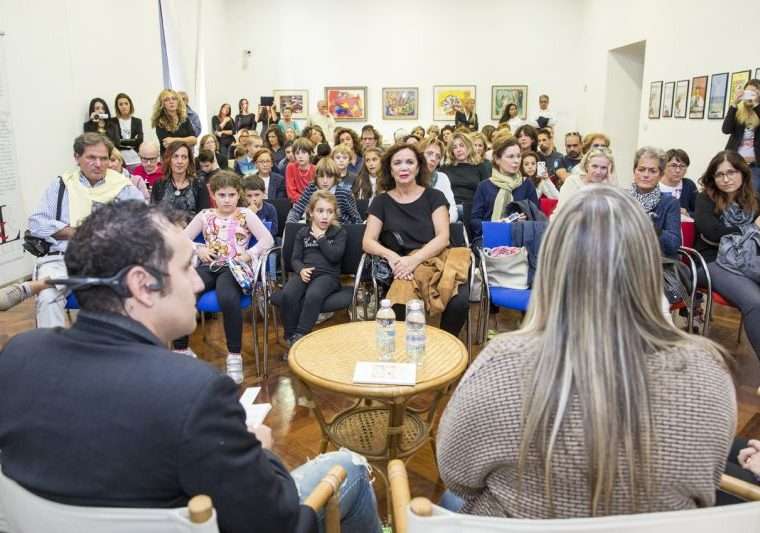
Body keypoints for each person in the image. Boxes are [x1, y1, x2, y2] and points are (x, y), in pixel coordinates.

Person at [0, 200, 382, 533]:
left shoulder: (19, 356)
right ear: (142, 285)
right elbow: (277, 522)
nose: (198, 284)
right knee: (348, 463)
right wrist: (259, 450)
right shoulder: (194, 391)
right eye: (186, 268)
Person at [436, 184, 735, 518]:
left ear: (551, 263)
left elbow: (457, 476)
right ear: (649, 264)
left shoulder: (502, 363)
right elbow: (708, 484)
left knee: (449, 499)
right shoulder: (706, 370)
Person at [26, 133, 144, 328]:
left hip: (107, 260)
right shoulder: (61, 186)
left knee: (124, 296)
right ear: (77, 157)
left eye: (104, 158)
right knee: (47, 298)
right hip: (61, 258)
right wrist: (75, 232)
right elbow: (37, 223)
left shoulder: (123, 188)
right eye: (91, 157)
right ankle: (51, 347)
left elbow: (144, 222)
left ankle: (113, 347)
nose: (98, 164)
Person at [173, 171, 273, 379]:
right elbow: (181, 238)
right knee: (185, 290)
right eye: (222, 195)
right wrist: (199, 248)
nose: (227, 200)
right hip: (210, 265)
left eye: (231, 195)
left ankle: (234, 356)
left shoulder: (245, 214)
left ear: (239, 194)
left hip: (235, 267)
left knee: (227, 296)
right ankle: (181, 349)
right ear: (213, 195)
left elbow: (267, 239)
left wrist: (250, 253)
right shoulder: (205, 215)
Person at [362, 144, 470, 337]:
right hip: (400, 266)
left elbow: (443, 237)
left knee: (458, 303)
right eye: (397, 163)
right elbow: (368, 241)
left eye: (409, 162)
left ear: (418, 167)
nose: (404, 167)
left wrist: (415, 260)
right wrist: (393, 257)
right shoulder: (381, 201)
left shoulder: (434, 196)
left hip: (436, 259)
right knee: (399, 307)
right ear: (390, 169)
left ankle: (445, 347)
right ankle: (406, 349)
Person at [694, 150, 760, 359]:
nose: (726, 179)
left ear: (743, 173)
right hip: (711, 261)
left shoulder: (754, 201)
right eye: (719, 174)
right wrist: (752, 229)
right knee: (755, 302)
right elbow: (711, 231)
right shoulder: (705, 198)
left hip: (746, 261)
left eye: (731, 172)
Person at [279, 190, 347, 347]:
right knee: (288, 294)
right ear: (311, 212)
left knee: (313, 294)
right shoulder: (303, 232)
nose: (325, 216)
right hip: (305, 273)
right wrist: (301, 270)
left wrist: (321, 238)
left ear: (334, 214)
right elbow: (295, 259)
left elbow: (335, 256)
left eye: (329, 212)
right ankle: (290, 336)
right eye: (320, 211)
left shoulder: (339, 233)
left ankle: (301, 335)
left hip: (328, 277)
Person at [470, 137, 539, 240]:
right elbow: (475, 221)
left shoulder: (526, 184)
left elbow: (536, 218)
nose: (516, 161)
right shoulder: (484, 186)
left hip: (520, 239)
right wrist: (498, 225)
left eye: (518, 156)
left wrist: (524, 221)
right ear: (497, 159)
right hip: (489, 238)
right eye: (510, 157)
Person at [629, 147, 681, 259]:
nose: (646, 175)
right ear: (634, 171)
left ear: (661, 175)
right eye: (641, 169)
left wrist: (652, 226)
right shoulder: (623, 199)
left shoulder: (670, 203)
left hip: (656, 261)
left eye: (652, 171)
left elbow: (673, 245)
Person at [287, 157, 362, 225]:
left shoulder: (344, 193)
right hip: (315, 230)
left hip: (340, 230)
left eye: (329, 177)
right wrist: (290, 225)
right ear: (316, 177)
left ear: (335, 177)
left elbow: (356, 219)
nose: (325, 181)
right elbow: (296, 210)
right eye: (321, 176)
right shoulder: (311, 188)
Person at [150, 141, 209, 220]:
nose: (180, 161)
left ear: (189, 161)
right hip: (165, 227)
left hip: (193, 227)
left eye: (184, 157)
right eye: (175, 156)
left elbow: (204, 217)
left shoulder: (199, 185)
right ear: (169, 159)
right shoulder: (159, 184)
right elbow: (154, 215)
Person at [439, 131, 490, 223]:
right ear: (451, 151)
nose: (458, 150)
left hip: (473, 210)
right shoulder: (444, 168)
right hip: (451, 209)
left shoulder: (480, 166)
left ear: (468, 146)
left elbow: (486, 192)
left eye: (461, 145)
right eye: (454, 147)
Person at [722, 78, 760, 191]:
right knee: (730, 193)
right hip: (734, 163)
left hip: (755, 166)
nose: (749, 96)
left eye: (753, 92)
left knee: (752, 195)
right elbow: (726, 129)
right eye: (747, 92)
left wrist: (756, 104)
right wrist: (734, 103)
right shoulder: (738, 111)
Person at [555, 146, 614, 214]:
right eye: (594, 166)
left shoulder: (606, 187)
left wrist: (610, 185)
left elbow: (613, 213)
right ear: (586, 165)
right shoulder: (572, 182)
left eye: (603, 168)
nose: (598, 172)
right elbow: (564, 211)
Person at [420, 136, 458, 222]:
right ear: (420, 154)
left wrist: (440, 224)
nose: (433, 159)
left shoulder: (442, 178)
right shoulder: (409, 178)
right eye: (429, 153)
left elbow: (452, 210)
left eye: (438, 156)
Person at [152, 89, 197, 156]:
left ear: (178, 101)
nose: (171, 102)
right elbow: (167, 144)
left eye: (174, 99)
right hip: (169, 157)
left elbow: (194, 140)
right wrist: (187, 140)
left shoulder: (184, 119)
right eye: (166, 100)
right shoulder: (160, 122)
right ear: (162, 104)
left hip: (186, 156)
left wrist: (174, 140)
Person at [112, 92, 144, 170]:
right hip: (119, 160)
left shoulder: (137, 121)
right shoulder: (112, 122)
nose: (124, 106)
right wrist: (132, 141)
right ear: (117, 107)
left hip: (136, 159)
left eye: (126, 103)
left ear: (130, 105)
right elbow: (114, 142)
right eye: (121, 104)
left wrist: (121, 141)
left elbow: (140, 140)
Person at [662, 148, 698, 216]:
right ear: (663, 166)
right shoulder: (654, 185)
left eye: (682, 166)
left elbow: (700, 213)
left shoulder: (689, 185)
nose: (678, 170)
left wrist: (688, 214)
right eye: (673, 165)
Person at [285, 138, 316, 203]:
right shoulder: (290, 167)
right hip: (297, 202)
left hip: (313, 203)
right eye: (297, 153)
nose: (300, 156)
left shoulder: (315, 169)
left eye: (304, 153)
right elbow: (291, 193)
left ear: (310, 153)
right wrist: (304, 201)